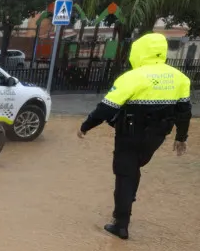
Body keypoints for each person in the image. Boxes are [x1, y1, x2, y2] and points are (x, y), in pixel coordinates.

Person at [77, 33, 191, 240]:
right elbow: (184, 111)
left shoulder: (132, 77)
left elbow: (107, 108)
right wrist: (181, 137)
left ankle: (121, 223)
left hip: (129, 134)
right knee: (135, 167)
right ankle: (129, 197)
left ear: (139, 52)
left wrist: (86, 126)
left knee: (124, 173)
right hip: (157, 137)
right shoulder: (180, 78)